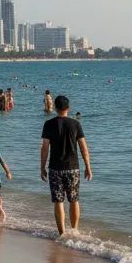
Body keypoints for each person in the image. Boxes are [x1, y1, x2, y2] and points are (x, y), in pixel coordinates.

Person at [40, 95, 93, 235]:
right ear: (68, 108)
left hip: (55, 168)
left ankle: (62, 234)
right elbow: (83, 147)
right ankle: (74, 231)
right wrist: (88, 166)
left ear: (55, 108)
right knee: (74, 200)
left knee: (58, 201)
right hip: (73, 168)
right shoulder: (75, 124)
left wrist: (42, 167)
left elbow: (45, 147)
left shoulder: (48, 124)